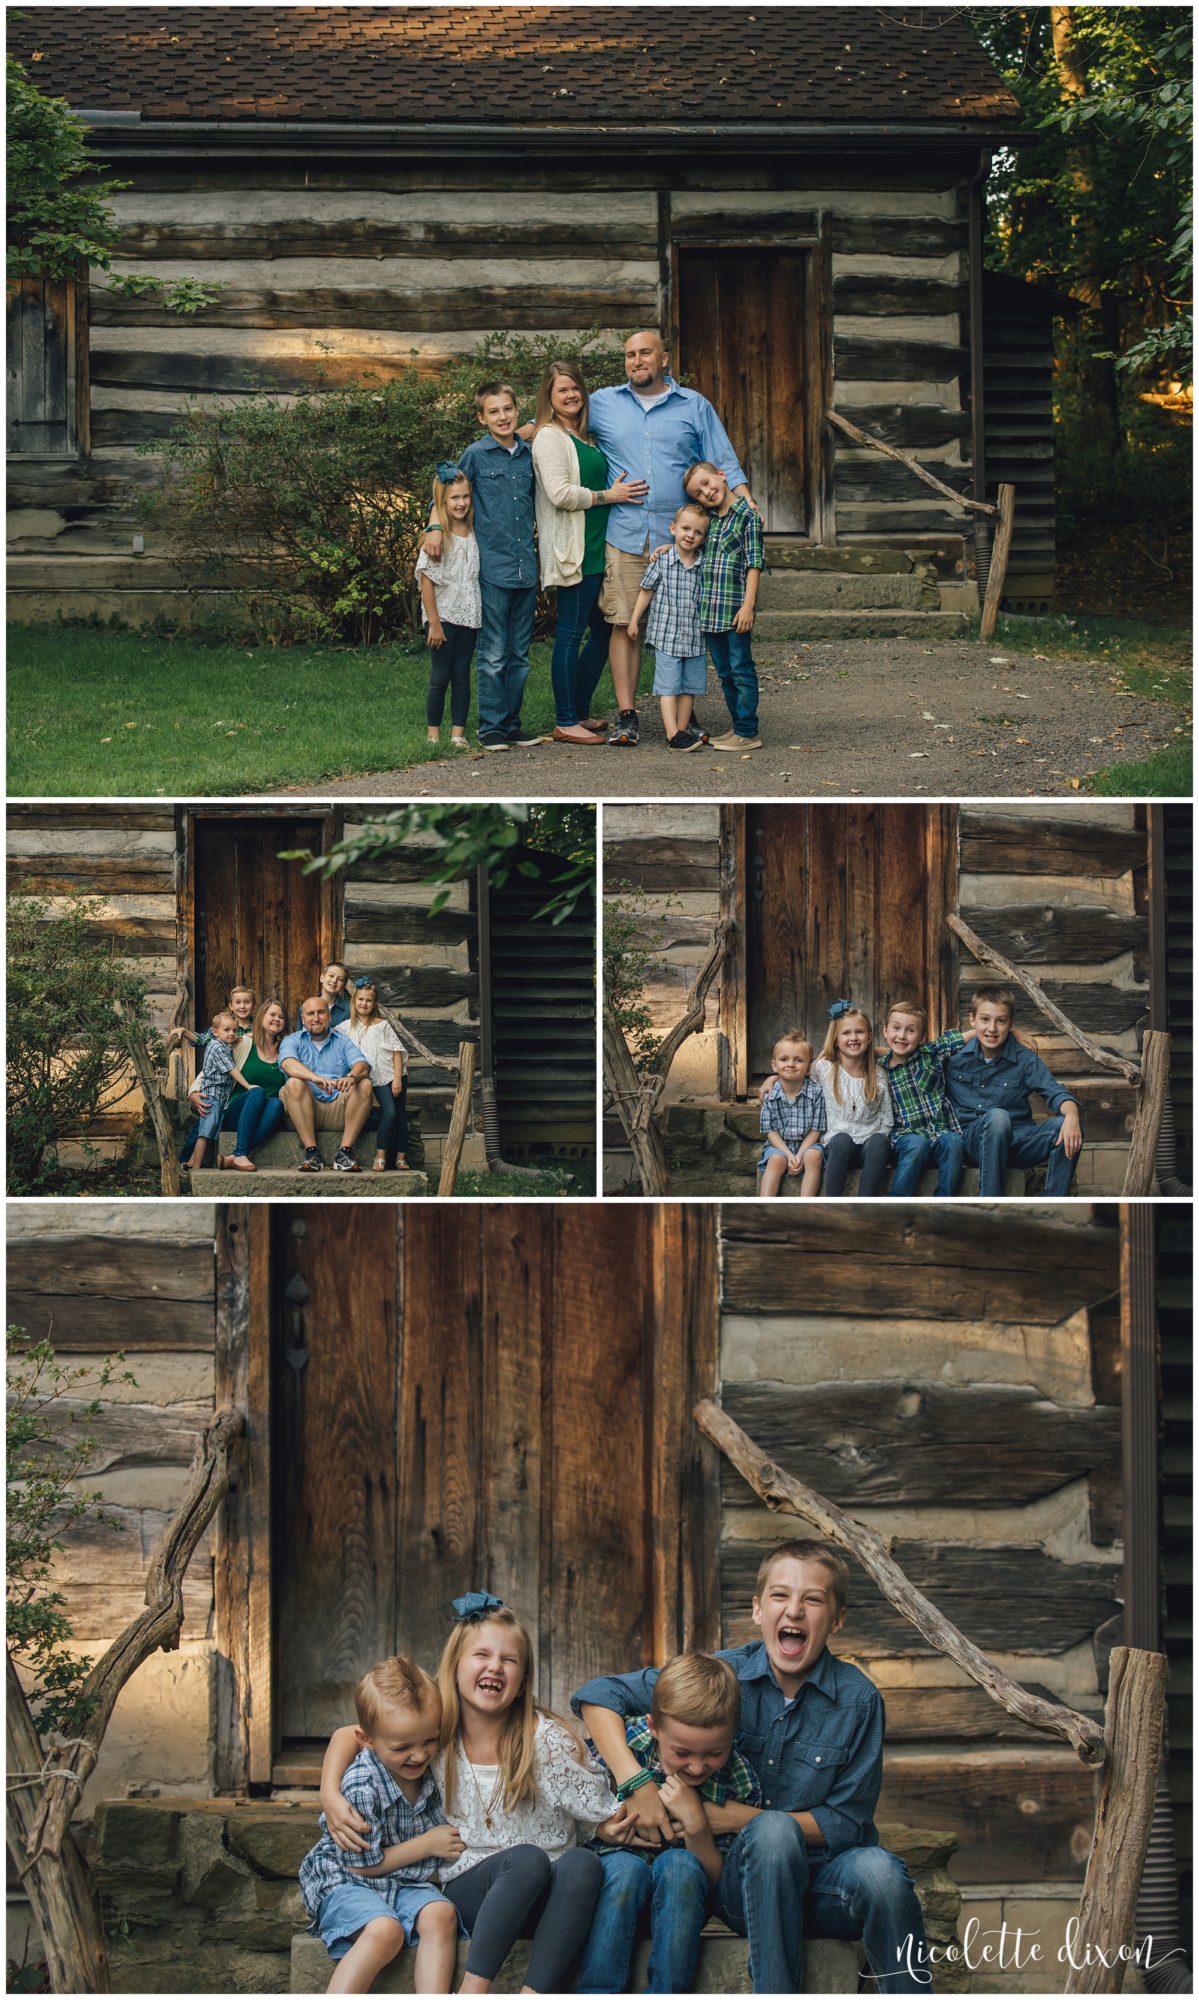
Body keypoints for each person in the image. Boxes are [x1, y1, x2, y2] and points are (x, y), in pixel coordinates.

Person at [573, 1541, 929, 1996]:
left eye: (813, 1599)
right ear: (758, 1609)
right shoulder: (721, 1677)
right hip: (736, 1888)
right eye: (780, 1596)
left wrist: (730, 1817)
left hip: (821, 1885)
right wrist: (636, 1781)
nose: (795, 1611)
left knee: (881, 1872)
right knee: (773, 1834)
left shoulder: (859, 1701)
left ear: (837, 1618)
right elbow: (597, 1694)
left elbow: (847, 1822)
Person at [319, 1594, 618, 1995]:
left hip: (548, 1902)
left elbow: (602, 1813)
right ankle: (472, 1991)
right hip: (475, 1893)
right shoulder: (433, 1733)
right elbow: (351, 1734)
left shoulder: (547, 1740)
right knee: (527, 1860)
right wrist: (329, 1793)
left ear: (523, 1679)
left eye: (509, 1660)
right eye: (481, 1655)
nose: (495, 1666)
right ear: (455, 1667)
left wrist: (619, 1822)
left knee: (584, 1864)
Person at [586, 330, 753, 745]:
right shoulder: (603, 403)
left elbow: (722, 461)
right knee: (625, 623)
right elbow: (560, 415)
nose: (636, 360)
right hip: (624, 534)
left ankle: (684, 715)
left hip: (684, 542)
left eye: (645, 353)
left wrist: (747, 505)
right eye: (629, 355)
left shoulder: (693, 405)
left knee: (686, 624)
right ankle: (628, 716)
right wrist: (527, 430)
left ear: (664, 358)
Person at [575, 1654, 760, 1995]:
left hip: (681, 1908)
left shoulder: (738, 1778)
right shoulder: (626, 1745)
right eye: (682, 1752)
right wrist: (601, 1827)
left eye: (712, 1754)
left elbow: (717, 1881)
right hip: (612, 1898)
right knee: (623, 1867)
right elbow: (570, 1813)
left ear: (733, 1735)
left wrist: (697, 1825)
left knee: (680, 1864)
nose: (696, 1766)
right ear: (653, 1726)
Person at [299, 1654, 460, 1995]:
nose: (419, 1755)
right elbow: (360, 1868)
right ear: (367, 1740)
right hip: (347, 1880)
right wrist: (426, 1845)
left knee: (441, 1915)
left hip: (401, 1883)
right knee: (386, 1931)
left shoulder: (430, 1761)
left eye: (430, 1741)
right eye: (403, 1747)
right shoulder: (360, 1785)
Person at [530, 359, 646, 745]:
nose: (571, 394)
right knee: (569, 633)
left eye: (575, 387)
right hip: (573, 552)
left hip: (599, 548)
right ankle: (565, 720)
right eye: (562, 389)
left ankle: (578, 709)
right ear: (549, 396)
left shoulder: (584, 436)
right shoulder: (549, 437)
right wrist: (607, 496)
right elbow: (560, 494)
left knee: (601, 632)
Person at [447, 382, 544, 752]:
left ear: (516, 411)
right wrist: (437, 528)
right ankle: (490, 727)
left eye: (507, 409)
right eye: (493, 412)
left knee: (520, 654)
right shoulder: (475, 455)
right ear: (481, 417)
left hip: (526, 568)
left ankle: (511, 724)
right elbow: (449, 493)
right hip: (492, 567)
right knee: (493, 652)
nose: (502, 417)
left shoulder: (528, 455)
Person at [943, 984, 1083, 1195]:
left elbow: (1056, 1092)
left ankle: (1054, 1200)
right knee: (998, 1117)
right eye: (985, 1020)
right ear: (972, 1020)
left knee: (1067, 1126)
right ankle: (991, 1201)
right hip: (972, 1143)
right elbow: (918, 1053)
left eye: (1001, 1021)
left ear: (1010, 1023)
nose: (992, 1028)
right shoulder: (953, 1055)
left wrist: (1072, 1116)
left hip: (1017, 1143)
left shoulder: (1024, 1059)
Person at [682, 460, 765, 751]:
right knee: (725, 673)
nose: (706, 493)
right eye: (698, 493)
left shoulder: (747, 515)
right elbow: (695, 549)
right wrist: (672, 547)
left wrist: (748, 606)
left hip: (734, 612)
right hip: (710, 613)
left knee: (741, 669)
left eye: (707, 483)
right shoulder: (710, 521)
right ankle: (737, 727)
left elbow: (754, 563)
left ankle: (748, 732)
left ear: (721, 475)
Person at [626, 502, 711, 751]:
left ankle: (683, 731)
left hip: (695, 637)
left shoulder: (703, 565)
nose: (690, 535)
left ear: (703, 538)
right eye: (685, 528)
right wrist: (634, 620)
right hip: (666, 635)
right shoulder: (662, 561)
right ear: (673, 528)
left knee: (689, 687)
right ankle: (672, 733)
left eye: (697, 532)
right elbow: (646, 591)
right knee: (669, 686)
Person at [416, 462, 481, 752]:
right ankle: (433, 734)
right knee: (440, 676)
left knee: (462, 675)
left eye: (465, 497)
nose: (461, 503)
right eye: (454, 498)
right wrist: (434, 622)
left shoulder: (473, 530)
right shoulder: (437, 539)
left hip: (469, 616)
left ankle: (458, 733)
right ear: (442, 502)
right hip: (443, 617)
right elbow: (426, 582)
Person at [879, 1001, 968, 1198]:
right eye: (896, 1028)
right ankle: (897, 1200)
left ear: (922, 1037)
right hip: (904, 1138)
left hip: (939, 1134)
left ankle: (945, 1200)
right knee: (917, 1144)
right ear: (885, 1031)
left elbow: (968, 1035)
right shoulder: (879, 1069)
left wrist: (1015, 1033)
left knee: (954, 1141)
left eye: (910, 1030)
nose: (901, 1035)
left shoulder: (932, 1053)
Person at [279, 996, 375, 1174]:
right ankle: (312, 1153)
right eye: (310, 1014)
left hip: (338, 1110)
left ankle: (344, 1153)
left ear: (329, 1016)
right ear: (303, 1019)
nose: (316, 1018)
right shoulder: (292, 1040)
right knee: (294, 1083)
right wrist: (314, 1078)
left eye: (321, 1012)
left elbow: (362, 1065)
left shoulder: (342, 1041)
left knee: (365, 1084)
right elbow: (287, 1063)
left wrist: (352, 1077)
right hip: (304, 1111)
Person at [812, 1002, 893, 1197]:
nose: (854, 1038)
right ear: (835, 1040)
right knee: (842, 1140)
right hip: (836, 1148)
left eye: (859, 1032)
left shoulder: (878, 1074)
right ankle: (832, 1205)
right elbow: (796, 1079)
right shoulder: (824, 1069)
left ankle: (864, 1205)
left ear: (870, 1037)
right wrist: (771, 1079)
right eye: (846, 1033)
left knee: (881, 1141)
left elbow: (886, 1117)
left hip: (868, 1149)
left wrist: (878, 1136)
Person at [339, 981, 410, 1173]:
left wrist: (397, 1078)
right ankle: (380, 1156)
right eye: (360, 999)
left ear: (374, 1004)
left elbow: (397, 1051)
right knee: (390, 1112)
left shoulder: (383, 1025)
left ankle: (401, 1158)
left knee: (400, 1116)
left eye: (368, 1001)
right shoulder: (344, 1028)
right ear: (354, 1001)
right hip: (375, 1078)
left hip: (394, 1075)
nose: (364, 1003)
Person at [179, 1011, 254, 1173]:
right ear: (215, 1032)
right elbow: (232, 1070)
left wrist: (234, 1040)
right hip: (211, 1096)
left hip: (220, 1098)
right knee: (205, 1133)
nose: (232, 1034)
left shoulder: (224, 1045)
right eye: (227, 1030)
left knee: (211, 1131)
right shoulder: (216, 1047)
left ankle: (192, 1162)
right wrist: (248, 1086)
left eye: (234, 1030)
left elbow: (232, 1041)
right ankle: (197, 1169)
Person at [757, 1032, 825, 1198]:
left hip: (807, 1144)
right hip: (779, 1145)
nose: (791, 1064)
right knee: (776, 1161)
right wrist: (788, 1154)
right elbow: (771, 1132)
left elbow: (815, 1130)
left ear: (809, 1068)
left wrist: (800, 1154)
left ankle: (805, 1206)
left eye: (799, 1060)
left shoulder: (816, 1092)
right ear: (774, 1065)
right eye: (784, 1059)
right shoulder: (770, 1095)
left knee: (814, 1156)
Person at [317, 961, 353, 1030]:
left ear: (343, 986)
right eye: (331, 976)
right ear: (322, 977)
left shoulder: (348, 1011)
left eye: (340, 979)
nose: (334, 981)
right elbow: (299, 1037)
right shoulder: (306, 1007)